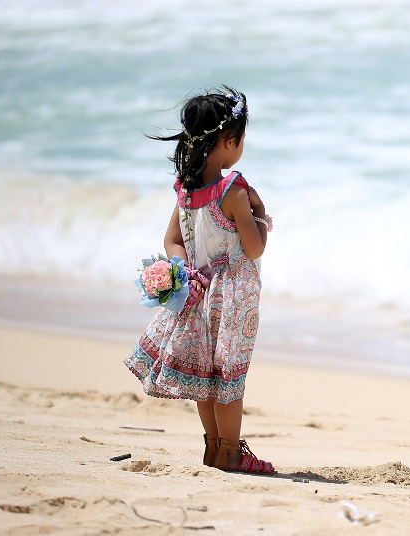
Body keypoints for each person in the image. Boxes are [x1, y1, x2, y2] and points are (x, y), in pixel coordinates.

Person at [124, 86, 275, 474]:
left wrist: (185, 270)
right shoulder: (233, 190)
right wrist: (258, 211)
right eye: (240, 140)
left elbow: (172, 240)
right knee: (229, 374)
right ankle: (231, 451)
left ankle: (213, 447)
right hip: (233, 294)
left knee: (207, 375)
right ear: (228, 141)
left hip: (200, 291)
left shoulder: (186, 188)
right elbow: (254, 248)